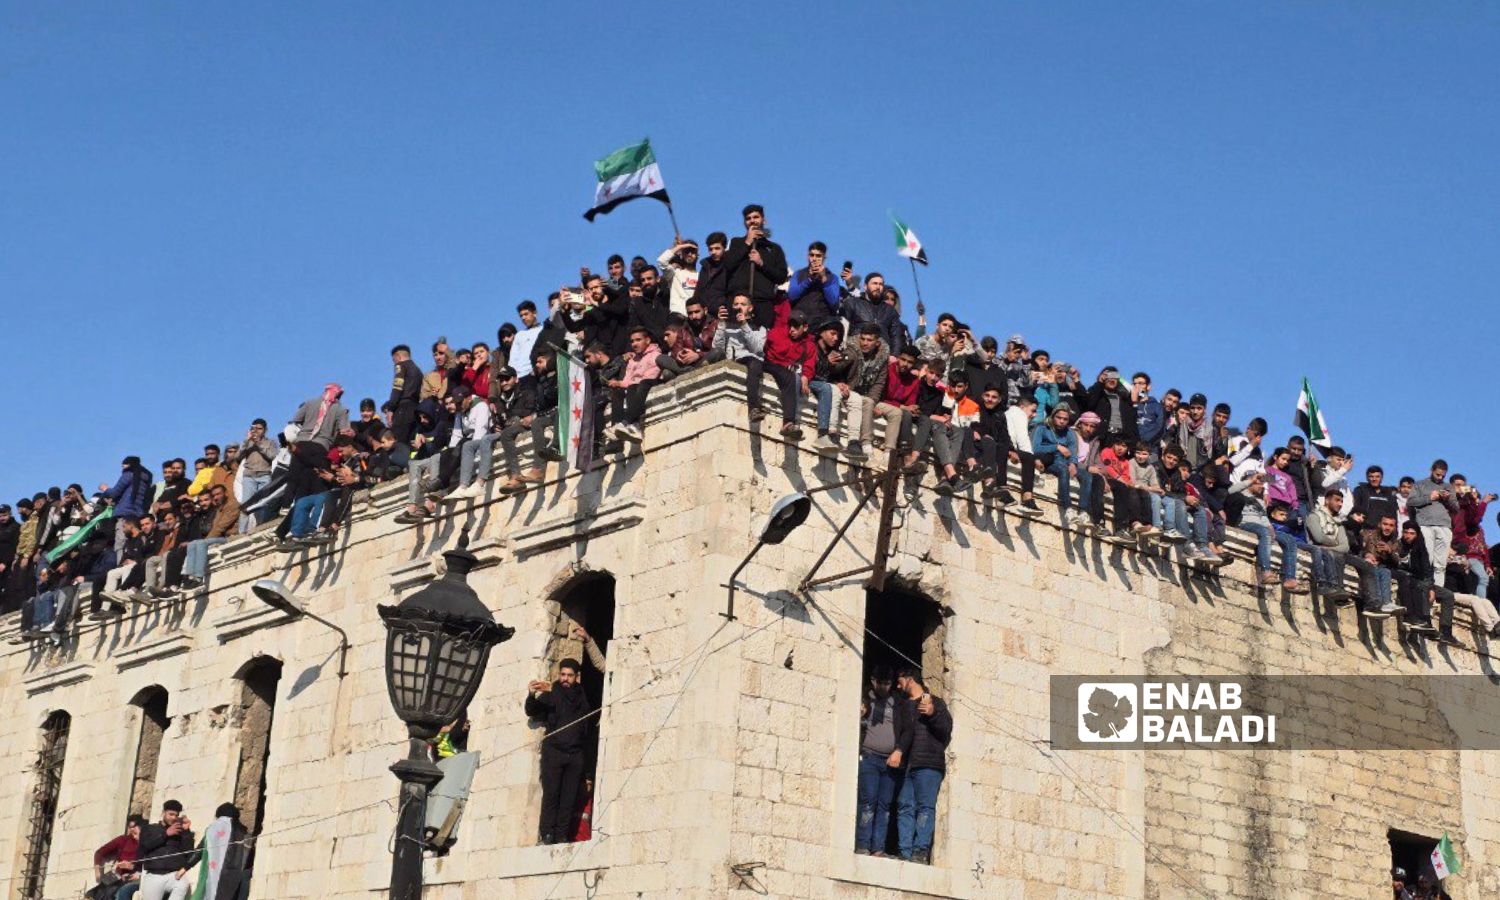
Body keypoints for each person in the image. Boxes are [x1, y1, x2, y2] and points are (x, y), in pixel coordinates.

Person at [524, 659, 596, 845]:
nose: (565, 679)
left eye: (569, 675)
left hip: (575, 754)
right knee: (552, 794)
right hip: (554, 753)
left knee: (568, 797)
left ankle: (562, 835)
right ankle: (547, 834)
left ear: (576, 677)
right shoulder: (551, 693)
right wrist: (531, 695)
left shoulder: (582, 697)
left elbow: (585, 725)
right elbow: (532, 710)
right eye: (563, 675)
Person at [892, 668, 951, 865]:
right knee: (905, 806)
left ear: (909, 680)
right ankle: (905, 851)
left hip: (928, 763)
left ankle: (920, 851)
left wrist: (932, 713)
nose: (897, 684)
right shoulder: (901, 706)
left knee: (925, 807)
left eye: (900, 679)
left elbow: (946, 731)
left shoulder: (935, 702)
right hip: (908, 766)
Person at [1231, 471, 1308, 593]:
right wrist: (1251, 480)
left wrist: (1270, 527)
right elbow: (1230, 490)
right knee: (1264, 532)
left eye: (1262, 484)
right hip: (1245, 524)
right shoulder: (1240, 493)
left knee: (1290, 540)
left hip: (1262, 527)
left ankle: (1289, 579)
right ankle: (1265, 571)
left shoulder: (1260, 500)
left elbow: (1263, 517)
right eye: (1258, 483)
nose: (1262, 486)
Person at [855, 666, 901, 856]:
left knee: (884, 805)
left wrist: (898, 750)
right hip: (870, 757)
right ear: (873, 681)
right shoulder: (864, 699)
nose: (884, 687)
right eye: (880, 683)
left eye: (888, 683)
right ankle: (863, 844)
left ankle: (878, 847)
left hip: (889, 761)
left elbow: (903, 727)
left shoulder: (896, 703)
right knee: (868, 801)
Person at [720, 204, 788, 328]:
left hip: (762, 304)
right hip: (737, 303)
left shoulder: (774, 249)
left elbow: (781, 276)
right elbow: (727, 265)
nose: (752, 221)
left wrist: (762, 263)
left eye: (756, 217)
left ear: (764, 220)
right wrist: (747, 243)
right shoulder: (736, 243)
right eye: (748, 218)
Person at [841, 323, 896, 461]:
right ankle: (866, 444)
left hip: (869, 397)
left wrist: (874, 401)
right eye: (863, 339)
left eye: (869, 340)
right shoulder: (851, 349)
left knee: (896, 412)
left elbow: (879, 383)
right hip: (849, 392)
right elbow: (838, 371)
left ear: (877, 343)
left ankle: (889, 453)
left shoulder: (882, 356)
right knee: (866, 402)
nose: (864, 343)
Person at [1407, 459, 1459, 588]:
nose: (1440, 478)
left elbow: (1456, 508)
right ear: (1431, 470)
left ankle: (1438, 591)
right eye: (1437, 474)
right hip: (1425, 525)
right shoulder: (1420, 484)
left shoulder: (1448, 487)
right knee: (1426, 559)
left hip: (1444, 526)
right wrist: (1429, 497)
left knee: (1440, 564)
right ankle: (1424, 588)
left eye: (1443, 476)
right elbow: (1410, 502)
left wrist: (1447, 499)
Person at [606, 327, 661, 444]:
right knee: (628, 388)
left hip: (650, 382)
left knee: (639, 384)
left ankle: (625, 422)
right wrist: (618, 383)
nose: (634, 344)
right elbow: (628, 380)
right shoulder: (633, 359)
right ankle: (633, 425)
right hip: (637, 386)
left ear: (647, 340)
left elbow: (651, 375)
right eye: (632, 341)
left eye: (638, 340)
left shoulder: (655, 354)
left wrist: (631, 382)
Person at [136, 800, 197, 900]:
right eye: (171, 814)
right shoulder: (150, 828)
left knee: (183, 883)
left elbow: (189, 853)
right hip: (154, 875)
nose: (173, 818)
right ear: (163, 813)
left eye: (176, 815)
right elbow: (145, 845)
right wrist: (166, 834)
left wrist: (186, 831)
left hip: (173, 875)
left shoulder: (180, 832)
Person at [808, 320, 852, 450]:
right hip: (809, 381)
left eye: (838, 336)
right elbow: (811, 373)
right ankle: (822, 434)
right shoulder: (811, 346)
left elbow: (832, 377)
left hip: (822, 384)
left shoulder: (833, 352)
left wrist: (840, 383)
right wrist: (827, 362)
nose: (836, 338)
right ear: (822, 332)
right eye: (832, 334)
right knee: (826, 388)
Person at [1359, 514, 1404, 619]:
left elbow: (1398, 561)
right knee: (1373, 568)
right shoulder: (1367, 534)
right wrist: (1366, 555)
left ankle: (1386, 603)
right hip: (1365, 564)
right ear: (1379, 524)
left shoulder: (1395, 542)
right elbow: (1356, 548)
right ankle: (1374, 604)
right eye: (1385, 524)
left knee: (1385, 572)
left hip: (1380, 567)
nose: (1387, 527)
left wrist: (1389, 551)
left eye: (1391, 525)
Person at [93, 814, 146, 900]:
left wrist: (132, 867)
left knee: (116, 893)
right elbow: (99, 852)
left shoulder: (147, 843)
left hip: (133, 878)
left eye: (134, 827)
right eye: (130, 827)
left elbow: (148, 863)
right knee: (93, 894)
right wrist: (97, 872)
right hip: (116, 876)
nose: (132, 830)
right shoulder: (123, 840)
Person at [787, 241, 841, 324]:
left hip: (821, 324)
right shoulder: (798, 274)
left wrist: (824, 279)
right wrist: (809, 280)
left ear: (824, 258)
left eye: (818, 256)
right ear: (807, 256)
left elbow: (834, 304)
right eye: (812, 255)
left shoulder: (832, 278)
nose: (814, 259)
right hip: (800, 323)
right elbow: (792, 296)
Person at [1086, 368, 1137, 447]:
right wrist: (1099, 383)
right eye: (1109, 376)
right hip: (1102, 437)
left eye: (1115, 377)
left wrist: (1134, 402)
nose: (1112, 380)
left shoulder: (1124, 398)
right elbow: (1089, 404)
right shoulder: (1097, 393)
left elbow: (1132, 420)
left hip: (1121, 439)